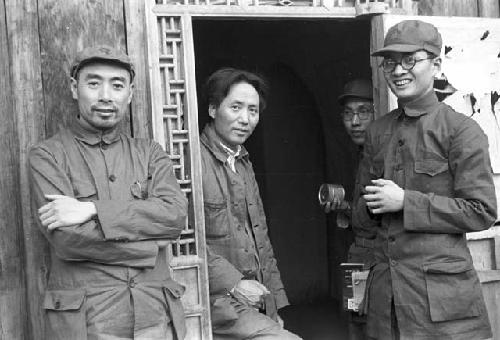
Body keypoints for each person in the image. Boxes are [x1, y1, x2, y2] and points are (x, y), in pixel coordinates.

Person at [29, 45, 188, 340]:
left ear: (129, 92)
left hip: (155, 316)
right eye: (94, 83)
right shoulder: (47, 155)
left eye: (117, 85)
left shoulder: (150, 153)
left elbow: (175, 216)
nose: (105, 95)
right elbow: (67, 240)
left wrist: (92, 210)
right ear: (75, 88)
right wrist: (153, 248)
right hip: (90, 323)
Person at [353, 20, 497, 340]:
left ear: (436, 64)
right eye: (390, 62)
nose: (398, 70)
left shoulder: (461, 131)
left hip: (444, 308)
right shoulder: (377, 132)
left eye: (410, 60)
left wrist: (406, 202)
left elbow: (482, 210)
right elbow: (361, 218)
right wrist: (367, 207)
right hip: (387, 303)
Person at [200, 68, 301, 339]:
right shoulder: (191, 162)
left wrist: (274, 306)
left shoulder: (242, 161)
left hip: (252, 303)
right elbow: (181, 241)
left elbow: (261, 240)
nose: (245, 119)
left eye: (253, 110)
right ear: (212, 109)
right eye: (235, 107)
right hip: (213, 302)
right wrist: (233, 283)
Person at [325, 78, 375, 340]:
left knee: (376, 326)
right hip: (354, 256)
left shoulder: (384, 156)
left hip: (381, 260)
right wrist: (342, 207)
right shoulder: (352, 154)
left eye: (363, 111)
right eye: (348, 113)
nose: (355, 121)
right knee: (354, 321)